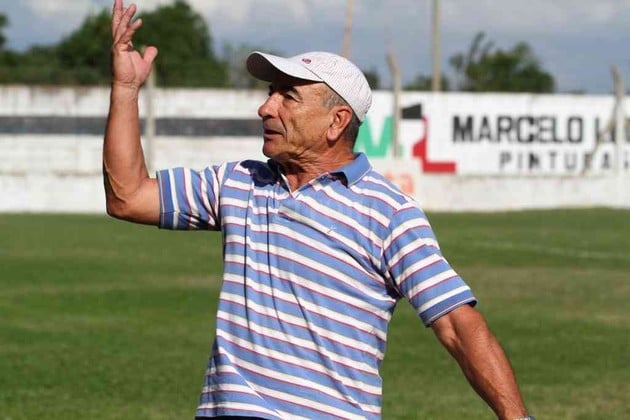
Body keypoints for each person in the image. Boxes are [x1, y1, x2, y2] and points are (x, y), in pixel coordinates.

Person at [104, 1, 534, 419]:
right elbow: (128, 197)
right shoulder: (238, 182)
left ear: (337, 121)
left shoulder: (389, 213)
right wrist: (125, 90)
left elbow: (457, 324)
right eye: (270, 93)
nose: (266, 107)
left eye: (287, 96)